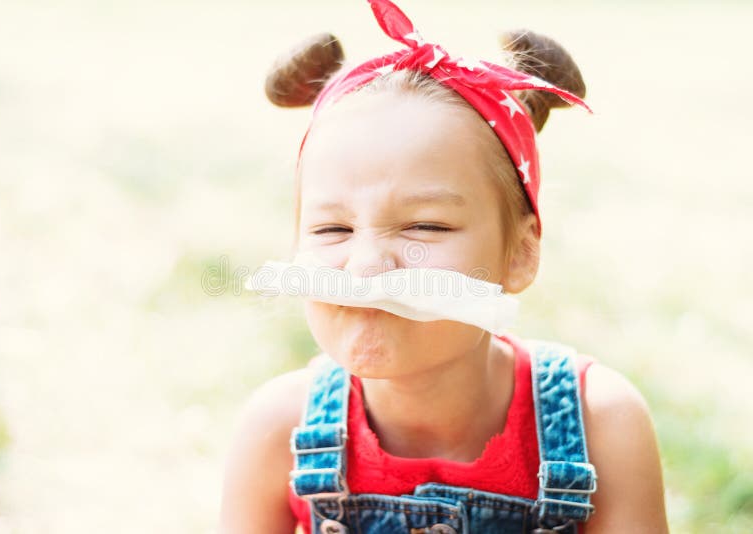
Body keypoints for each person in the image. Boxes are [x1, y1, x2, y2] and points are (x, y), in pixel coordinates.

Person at [220, 1, 668, 532]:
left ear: (520, 253)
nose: (365, 270)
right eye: (331, 230)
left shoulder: (602, 426)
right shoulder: (277, 431)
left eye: (425, 227)